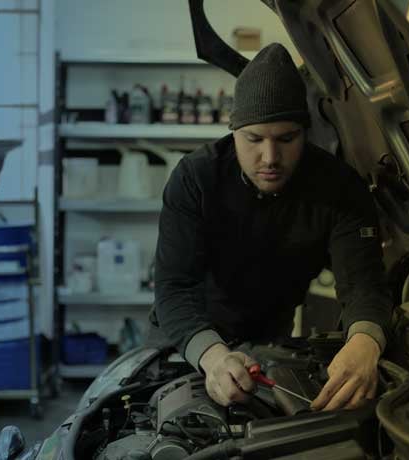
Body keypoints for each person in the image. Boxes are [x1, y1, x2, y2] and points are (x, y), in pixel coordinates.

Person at [153, 43, 392, 411]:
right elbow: (174, 287)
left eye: (286, 138)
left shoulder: (340, 188)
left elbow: (363, 283)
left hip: (270, 342)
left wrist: (365, 342)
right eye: (254, 139)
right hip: (189, 339)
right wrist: (213, 357)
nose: (270, 157)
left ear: (305, 132)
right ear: (233, 131)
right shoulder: (195, 179)